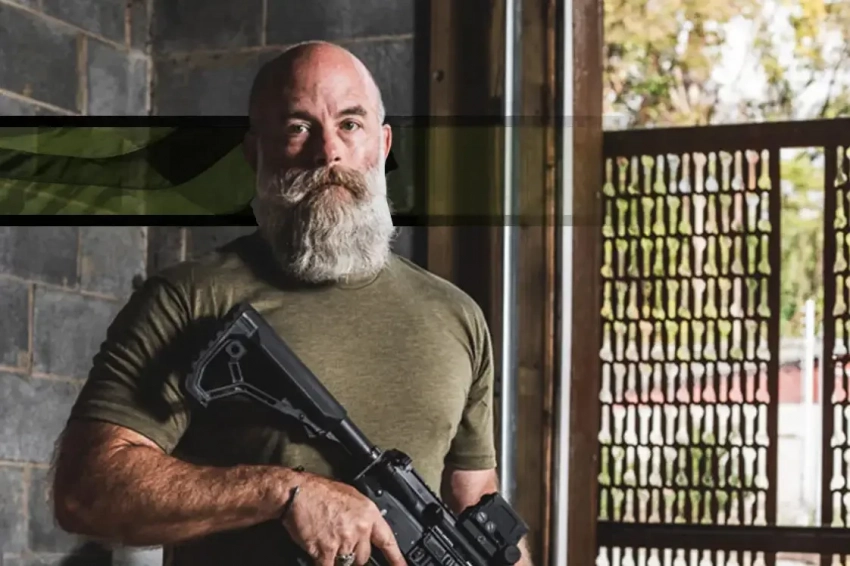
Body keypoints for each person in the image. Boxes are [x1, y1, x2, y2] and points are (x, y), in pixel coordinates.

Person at [51, 41, 532, 566]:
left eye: (351, 124)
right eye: (298, 128)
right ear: (254, 151)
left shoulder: (458, 317)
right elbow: (84, 490)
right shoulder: (190, 300)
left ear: (384, 144)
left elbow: (475, 498)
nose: (329, 152)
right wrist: (283, 493)